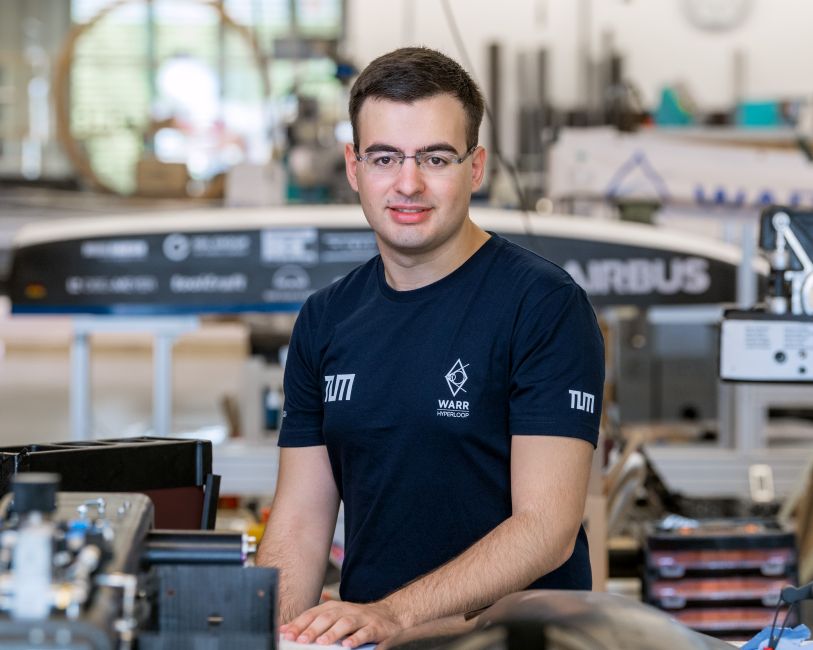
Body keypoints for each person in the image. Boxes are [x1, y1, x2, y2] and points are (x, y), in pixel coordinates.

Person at [257, 46, 604, 648]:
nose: (408, 183)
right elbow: (299, 521)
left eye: (436, 157)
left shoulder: (544, 306)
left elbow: (547, 526)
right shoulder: (325, 318)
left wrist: (394, 613)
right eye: (385, 157)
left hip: (517, 641)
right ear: (353, 166)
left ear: (476, 168)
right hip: (375, 638)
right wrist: (273, 632)